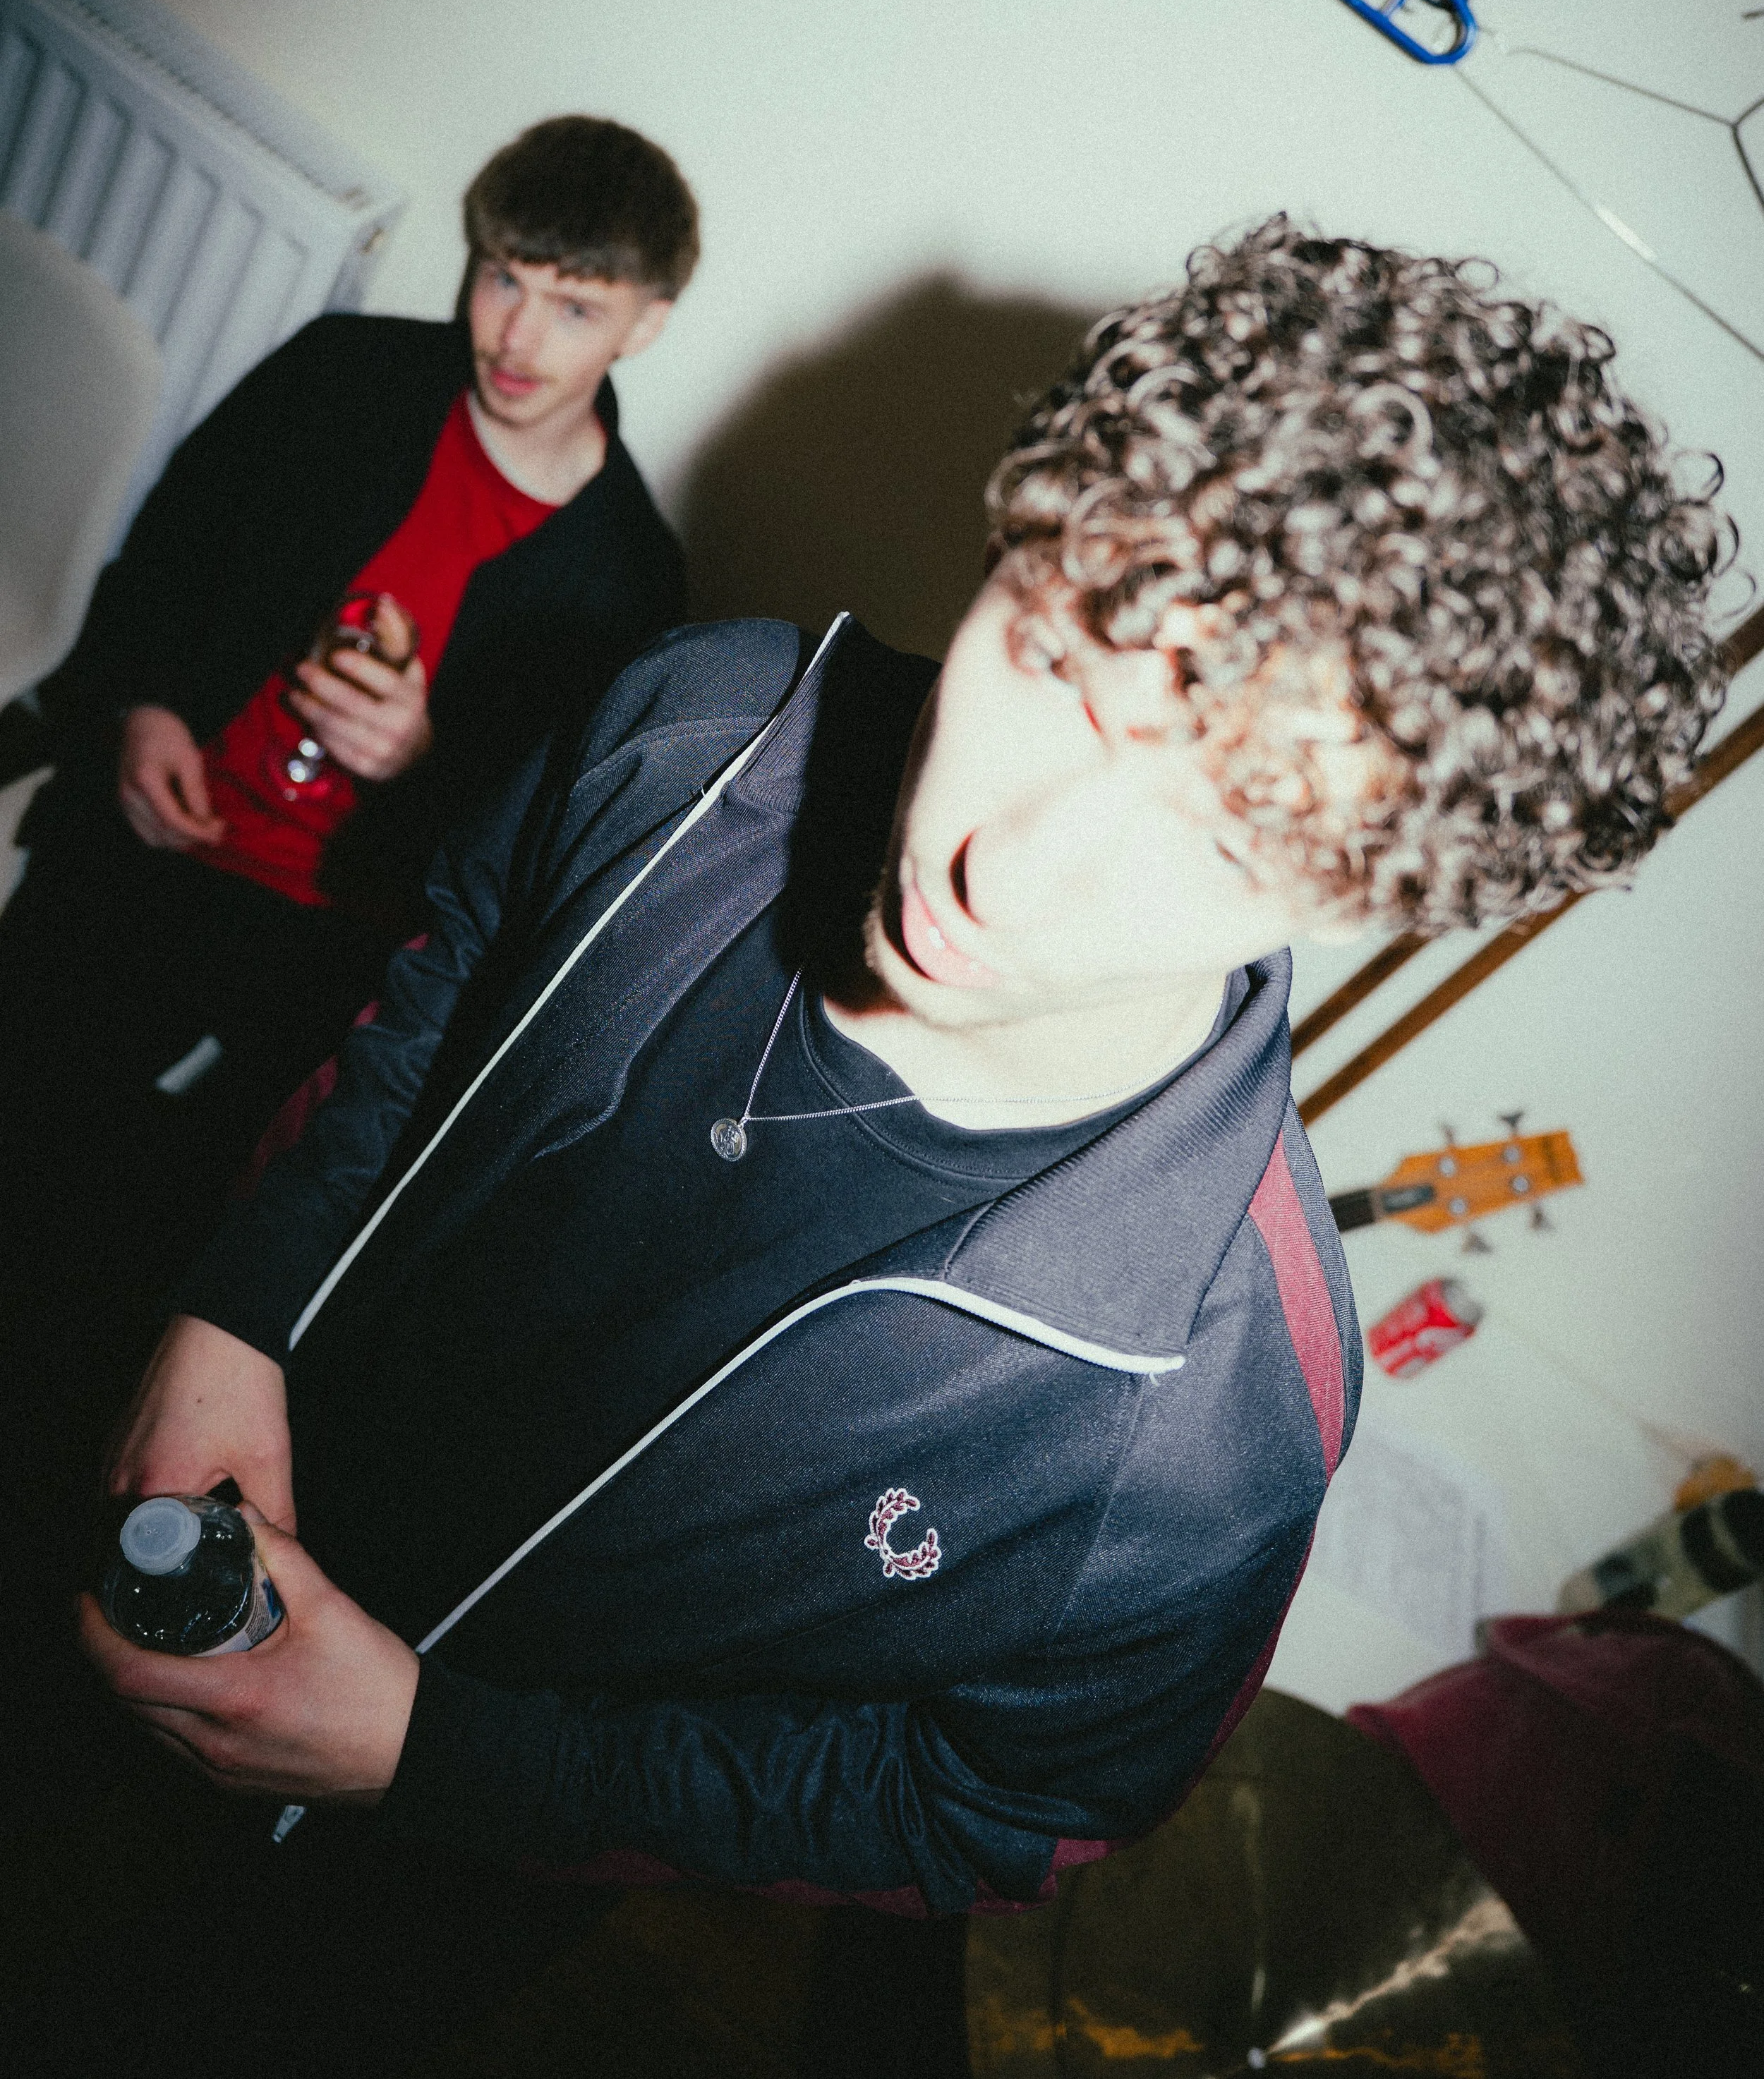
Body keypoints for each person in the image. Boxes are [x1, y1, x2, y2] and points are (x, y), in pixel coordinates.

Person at [69, 220, 1731, 2071]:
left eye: (1213, 835)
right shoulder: (698, 720)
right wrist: (235, 1312)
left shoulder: (1197, 1432)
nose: (1001, 862)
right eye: (1052, 657)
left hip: (409, 1869)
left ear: (1355, 896)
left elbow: (985, 1803)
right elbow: (439, 985)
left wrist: (438, 1752)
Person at [0, 115, 694, 1424]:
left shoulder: (629, 584)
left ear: (644, 325)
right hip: (158, 829)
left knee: (172, 1247)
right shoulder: (349, 376)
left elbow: (539, 871)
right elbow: (174, 542)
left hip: (336, 942)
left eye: (571, 306)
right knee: (31, 1093)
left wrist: (428, 763)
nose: (514, 336)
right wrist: (146, 708)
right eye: (501, 276)